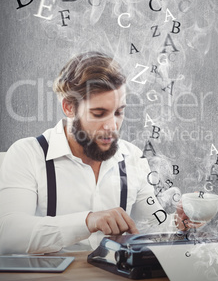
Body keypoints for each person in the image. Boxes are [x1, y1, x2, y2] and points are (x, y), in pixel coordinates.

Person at [0, 51, 195, 254]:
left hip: (114, 280)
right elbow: (7, 234)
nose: (112, 126)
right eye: (98, 113)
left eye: (119, 112)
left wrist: (178, 224)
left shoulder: (134, 158)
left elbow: (153, 227)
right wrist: (87, 220)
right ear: (69, 107)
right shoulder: (27, 154)